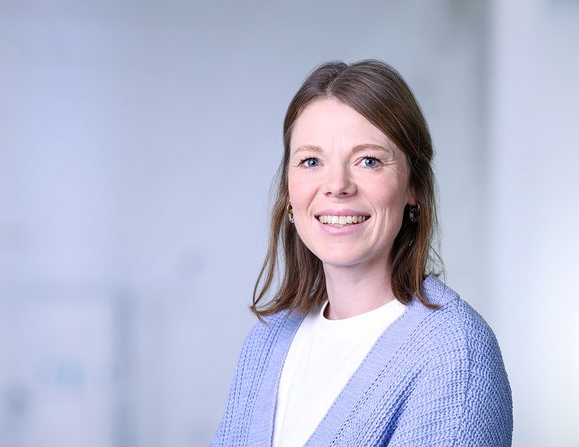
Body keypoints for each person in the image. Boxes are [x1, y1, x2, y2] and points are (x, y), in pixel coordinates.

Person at [211, 60, 513, 446]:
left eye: (369, 160)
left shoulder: (455, 355)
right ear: (289, 192)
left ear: (413, 187)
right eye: (311, 161)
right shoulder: (265, 343)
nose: (337, 185)